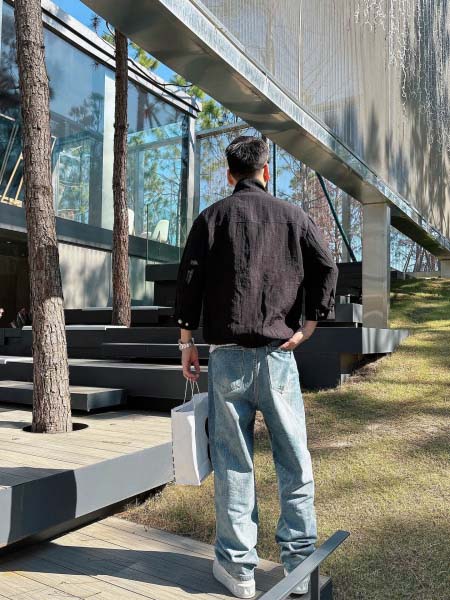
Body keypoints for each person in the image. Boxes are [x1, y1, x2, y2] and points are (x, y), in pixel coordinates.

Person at [174, 136, 338, 598]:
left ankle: (238, 570)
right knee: (294, 461)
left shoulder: (211, 218)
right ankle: (300, 566)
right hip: (279, 357)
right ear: (266, 172)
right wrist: (309, 324)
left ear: (230, 175)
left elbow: (189, 279)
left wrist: (186, 340)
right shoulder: (294, 216)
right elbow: (326, 266)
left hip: (227, 356)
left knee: (234, 464)